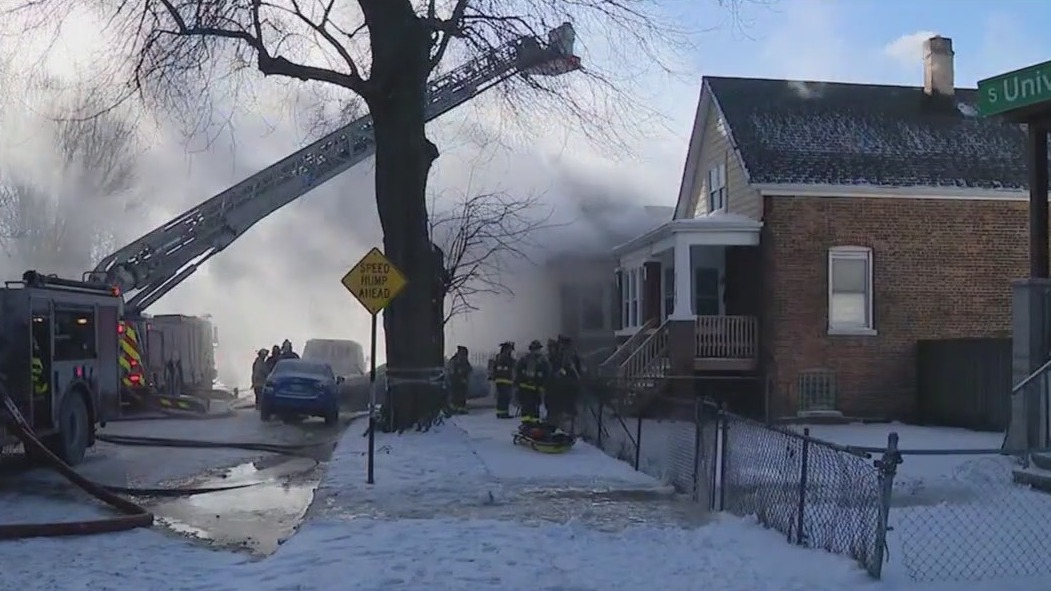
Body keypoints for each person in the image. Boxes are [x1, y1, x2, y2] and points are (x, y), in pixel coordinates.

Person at [547, 334, 583, 426]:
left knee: (564, 407)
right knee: (560, 407)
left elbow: (571, 370)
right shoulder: (565, 354)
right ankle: (559, 423)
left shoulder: (568, 355)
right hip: (561, 387)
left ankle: (565, 425)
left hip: (565, 386)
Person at [514, 340, 551, 423]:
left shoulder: (525, 359)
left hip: (530, 388)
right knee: (531, 406)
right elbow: (547, 373)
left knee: (530, 406)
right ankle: (531, 422)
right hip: (531, 388)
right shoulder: (542, 361)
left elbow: (517, 371)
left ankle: (530, 422)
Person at [489, 342, 516, 419]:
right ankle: (504, 413)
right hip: (505, 380)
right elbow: (512, 364)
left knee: (501, 397)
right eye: (510, 350)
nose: (510, 352)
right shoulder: (506, 357)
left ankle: (501, 412)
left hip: (500, 380)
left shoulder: (498, 357)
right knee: (505, 397)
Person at [446, 345, 472, 415]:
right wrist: (459, 377)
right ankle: (456, 408)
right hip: (456, 382)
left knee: (461, 395)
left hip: (462, 382)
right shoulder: (455, 360)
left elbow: (469, 368)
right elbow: (452, 372)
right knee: (456, 395)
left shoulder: (463, 360)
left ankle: (460, 408)